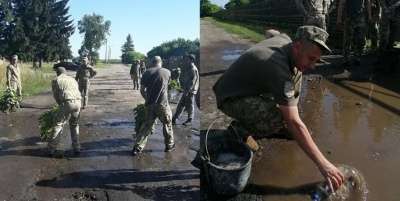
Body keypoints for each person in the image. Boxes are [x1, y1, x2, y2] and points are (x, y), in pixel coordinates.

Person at [212, 26, 345, 192]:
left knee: (296, 75)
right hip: (230, 98)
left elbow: (270, 32)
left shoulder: (286, 41)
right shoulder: (278, 70)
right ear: (297, 47)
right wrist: (324, 165)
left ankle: (276, 122)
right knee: (281, 117)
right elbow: (293, 121)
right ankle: (239, 130)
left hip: (247, 87)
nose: (313, 66)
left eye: (316, 61)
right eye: (311, 59)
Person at [132, 56, 175, 156]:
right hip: (162, 104)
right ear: (161, 62)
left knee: (146, 126)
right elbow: (168, 87)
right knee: (167, 124)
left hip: (150, 104)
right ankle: (169, 146)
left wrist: (147, 99)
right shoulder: (167, 72)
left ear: (152, 63)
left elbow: (142, 90)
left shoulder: (146, 73)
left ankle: (137, 147)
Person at [47, 67, 82, 156]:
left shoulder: (56, 80)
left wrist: (60, 105)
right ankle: (77, 147)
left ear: (57, 73)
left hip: (67, 102)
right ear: (65, 72)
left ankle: (51, 148)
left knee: (58, 124)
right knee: (74, 124)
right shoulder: (72, 79)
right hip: (78, 102)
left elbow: (56, 95)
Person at [336, 0, 372, 66]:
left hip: (361, 18)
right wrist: (339, 18)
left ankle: (356, 58)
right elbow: (341, 3)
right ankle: (346, 59)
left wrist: (369, 15)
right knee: (347, 40)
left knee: (361, 40)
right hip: (349, 18)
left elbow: (367, 2)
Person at [171, 54, 199, 126]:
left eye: (187, 59)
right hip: (187, 90)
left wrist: (186, 91)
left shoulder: (193, 69)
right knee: (181, 104)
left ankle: (190, 119)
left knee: (190, 105)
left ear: (191, 60)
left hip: (190, 91)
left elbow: (191, 82)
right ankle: (174, 118)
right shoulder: (190, 68)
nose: (186, 61)